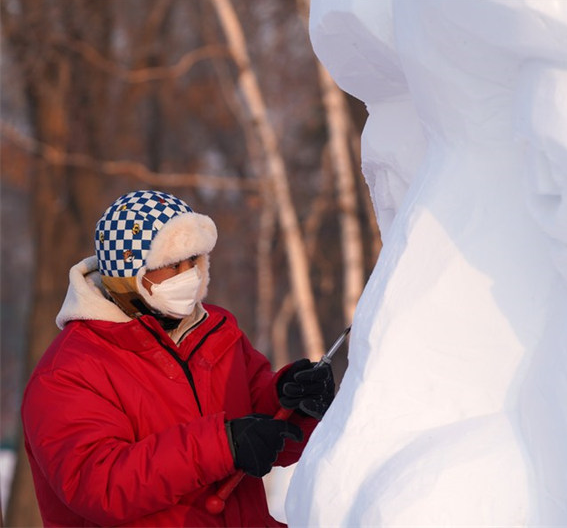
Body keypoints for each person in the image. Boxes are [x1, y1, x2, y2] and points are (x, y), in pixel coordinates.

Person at [21, 189, 335, 527]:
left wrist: (293, 401)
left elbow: (258, 429)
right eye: (172, 265)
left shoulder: (217, 333)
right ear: (130, 273)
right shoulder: (68, 371)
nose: (190, 275)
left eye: (194, 261)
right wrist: (222, 445)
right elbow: (101, 486)